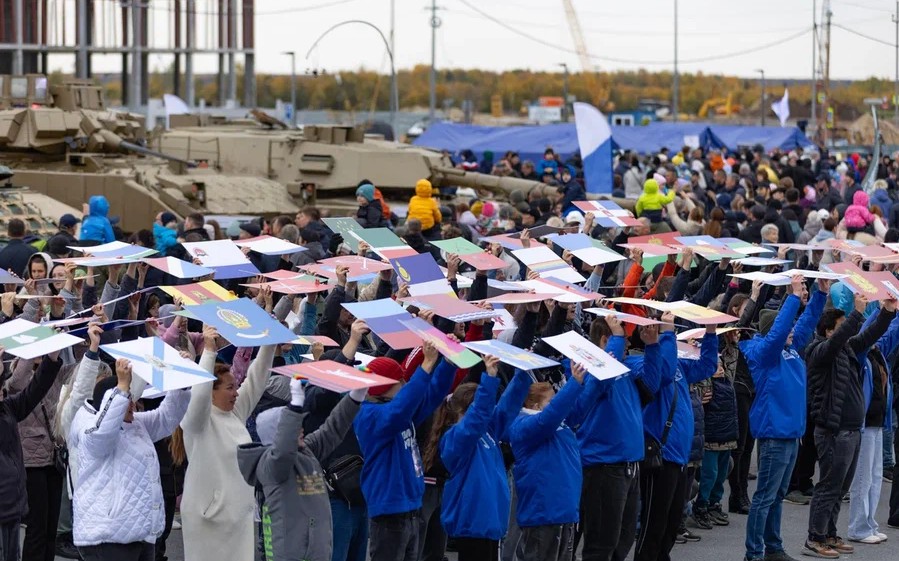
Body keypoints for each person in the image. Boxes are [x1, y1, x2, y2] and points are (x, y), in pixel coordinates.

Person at [68, 359, 190, 561]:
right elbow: (102, 437)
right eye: (126, 399)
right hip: (108, 538)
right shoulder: (87, 427)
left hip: (139, 533)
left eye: (130, 398)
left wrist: (181, 381)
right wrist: (122, 388)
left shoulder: (136, 424)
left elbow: (166, 418)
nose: (132, 404)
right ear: (110, 402)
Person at [740, 276, 826, 561]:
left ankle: (773, 548)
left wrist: (819, 295)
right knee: (764, 498)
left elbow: (804, 325)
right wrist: (791, 298)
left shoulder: (789, 349)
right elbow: (778, 333)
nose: (791, 331)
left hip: (790, 434)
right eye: (785, 328)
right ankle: (754, 553)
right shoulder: (762, 353)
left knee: (776, 497)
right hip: (774, 434)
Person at [803, 295, 896, 557]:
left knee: (841, 487)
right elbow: (838, 340)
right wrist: (855, 313)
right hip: (834, 430)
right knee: (829, 485)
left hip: (853, 429)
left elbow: (869, 335)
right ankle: (814, 538)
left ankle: (830, 534)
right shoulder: (819, 351)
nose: (848, 328)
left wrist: (887, 312)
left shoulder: (847, 349)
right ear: (829, 330)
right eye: (842, 324)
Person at [237, 377, 366, 561]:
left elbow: (332, 429)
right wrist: (296, 403)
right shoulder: (270, 466)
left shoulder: (305, 450)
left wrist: (354, 398)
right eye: (296, 425)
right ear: (279, 433)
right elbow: (282, 453)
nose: (302, 428)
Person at [179, 326, 277, 561]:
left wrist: (270, 340)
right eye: (229, 388)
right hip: (209, 521)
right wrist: (209, 351)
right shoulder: (197, 421)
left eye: (235, 387)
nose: (236, 392)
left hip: (238, 520)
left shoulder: (234, 413)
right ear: (211, 392)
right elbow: (199, 395)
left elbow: (256, 379)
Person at [354, 343, 456, 561]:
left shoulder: (396, 412)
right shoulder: (370, 415)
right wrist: (425, 365)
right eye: (399, 379)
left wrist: (448, 361)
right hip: (389, 513)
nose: (404, 382)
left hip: (411, 508)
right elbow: (401, 409)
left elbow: (432, 395)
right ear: (385, 385)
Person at [578, 317, 662, 561]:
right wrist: (616, 335)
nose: (627, 345)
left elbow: (653, 383)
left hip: (630, 466)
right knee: (601, 544)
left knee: (623, 540)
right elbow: (603, 373)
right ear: (606, 341)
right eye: (623, 340)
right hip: (604, 467)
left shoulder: (625, 369)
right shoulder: (593, 369)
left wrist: (653, 346)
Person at [635, 315, 718, 561]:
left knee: (671, 524)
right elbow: (665, 372)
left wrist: (711, 333)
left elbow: (707, 366)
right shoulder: (644, 364)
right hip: (660, 453)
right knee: (654, 524)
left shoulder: (679, 365)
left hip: (680, 456)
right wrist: (669, 332)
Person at [432, 357, 530, 561]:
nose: (489, 411)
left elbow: (506, 409)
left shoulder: (488, 431)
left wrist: (522, 374)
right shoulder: (456, 438)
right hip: (473, 525)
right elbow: (477, 417)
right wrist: (489, 378)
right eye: (483, 407)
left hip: (490, 521)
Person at [510, 363, 588, 561]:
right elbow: (548, 418)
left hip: (565, 511)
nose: (556, 404)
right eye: (551, 401)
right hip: (543, 514)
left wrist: (600, 375)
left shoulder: (558, 423)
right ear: (534, 406)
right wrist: (574, 383)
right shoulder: (522, 425)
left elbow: (583, 404)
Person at [0, 346, 60, 561]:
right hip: (10, 495)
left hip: (11, 505)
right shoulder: (13, 385)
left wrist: (52, 356)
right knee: (35, 532)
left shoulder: (7, 408)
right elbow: (18, 383)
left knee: (44, 532)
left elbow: (35, 391)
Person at [847, 308, 899, 544]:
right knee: (862, 478)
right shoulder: (859, 353)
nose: (879, 337)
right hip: (865, 423)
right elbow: (871, 328)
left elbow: (892, 333)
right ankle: (858, 527)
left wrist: (895, 312)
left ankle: (869, 524)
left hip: (879, 423)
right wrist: (881, 311)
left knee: (876, 476)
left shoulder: (879, 353)